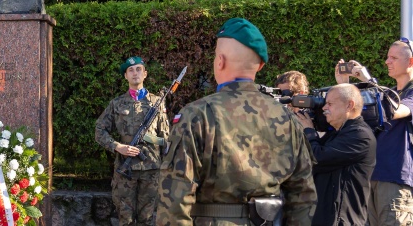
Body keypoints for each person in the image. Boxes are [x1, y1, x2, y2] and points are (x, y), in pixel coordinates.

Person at [157, 18, 317, 226]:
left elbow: (174, 199)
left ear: (220, 61)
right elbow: (303, 195)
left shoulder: (198, 115)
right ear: (259, 66)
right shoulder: (287, 118)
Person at [336, 38, 413, 226]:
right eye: (388, 57)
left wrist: (368, 80)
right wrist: (345, 86)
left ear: (410, 62)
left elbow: (395, 111)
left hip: (395, 179)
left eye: (393, 57)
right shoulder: (390, 93)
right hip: (371, 177)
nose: (387, 62)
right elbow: (352, 119)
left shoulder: (406, 95)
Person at [95, 56, 169, 226]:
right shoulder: (117, 104)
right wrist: (118, 147)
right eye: (130, 70)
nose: (135, 73)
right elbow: (99, 131)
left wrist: (150, 139)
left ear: (145, 74)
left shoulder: (157, 103)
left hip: (151, 169)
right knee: (125, 219)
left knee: (147, 219)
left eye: (138, 69)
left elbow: (166, 140)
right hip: (125, 169)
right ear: (126, 76)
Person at [295, 83, 376, 225]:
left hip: (341, 220)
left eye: (329, 104)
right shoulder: (337, 134)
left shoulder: (360, 135)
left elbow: (316, 158)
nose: (324, 108)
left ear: (349, 105)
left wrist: (308, 131)